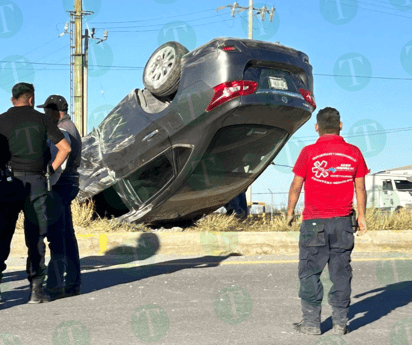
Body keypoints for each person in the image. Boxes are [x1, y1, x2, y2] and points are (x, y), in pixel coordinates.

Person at [286, 107, 368, 336]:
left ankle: (311, 323)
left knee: (310, 272)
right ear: (340, 126)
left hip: (314, 223)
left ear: (316, 128)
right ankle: (340, 323)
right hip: (342, 222)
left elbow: (296, 184)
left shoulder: (309, 152)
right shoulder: (354, 152)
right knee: (341, 272)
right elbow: (360, 187)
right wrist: (361, 216)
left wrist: (290, 210)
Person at [0, 83, 71, 304]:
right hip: (37, 182)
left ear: (13, 99)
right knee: (36, 237)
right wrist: (50, 169)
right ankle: (36, 290)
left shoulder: (2, 120)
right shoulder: (43, 120)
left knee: (2, 235)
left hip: (8, 184)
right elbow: (65, 148)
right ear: (31, 99)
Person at [37, 95, 82, 299]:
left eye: (47, 110)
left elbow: (59, 161)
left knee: (57, 237)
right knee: (67, 236)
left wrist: (47, 179)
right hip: (70, 184)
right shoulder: (71, 126)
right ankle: (72, 283)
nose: (45, 114)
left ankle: (55, 285)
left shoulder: (62, 131)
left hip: (59, 186)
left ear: (55, 111)